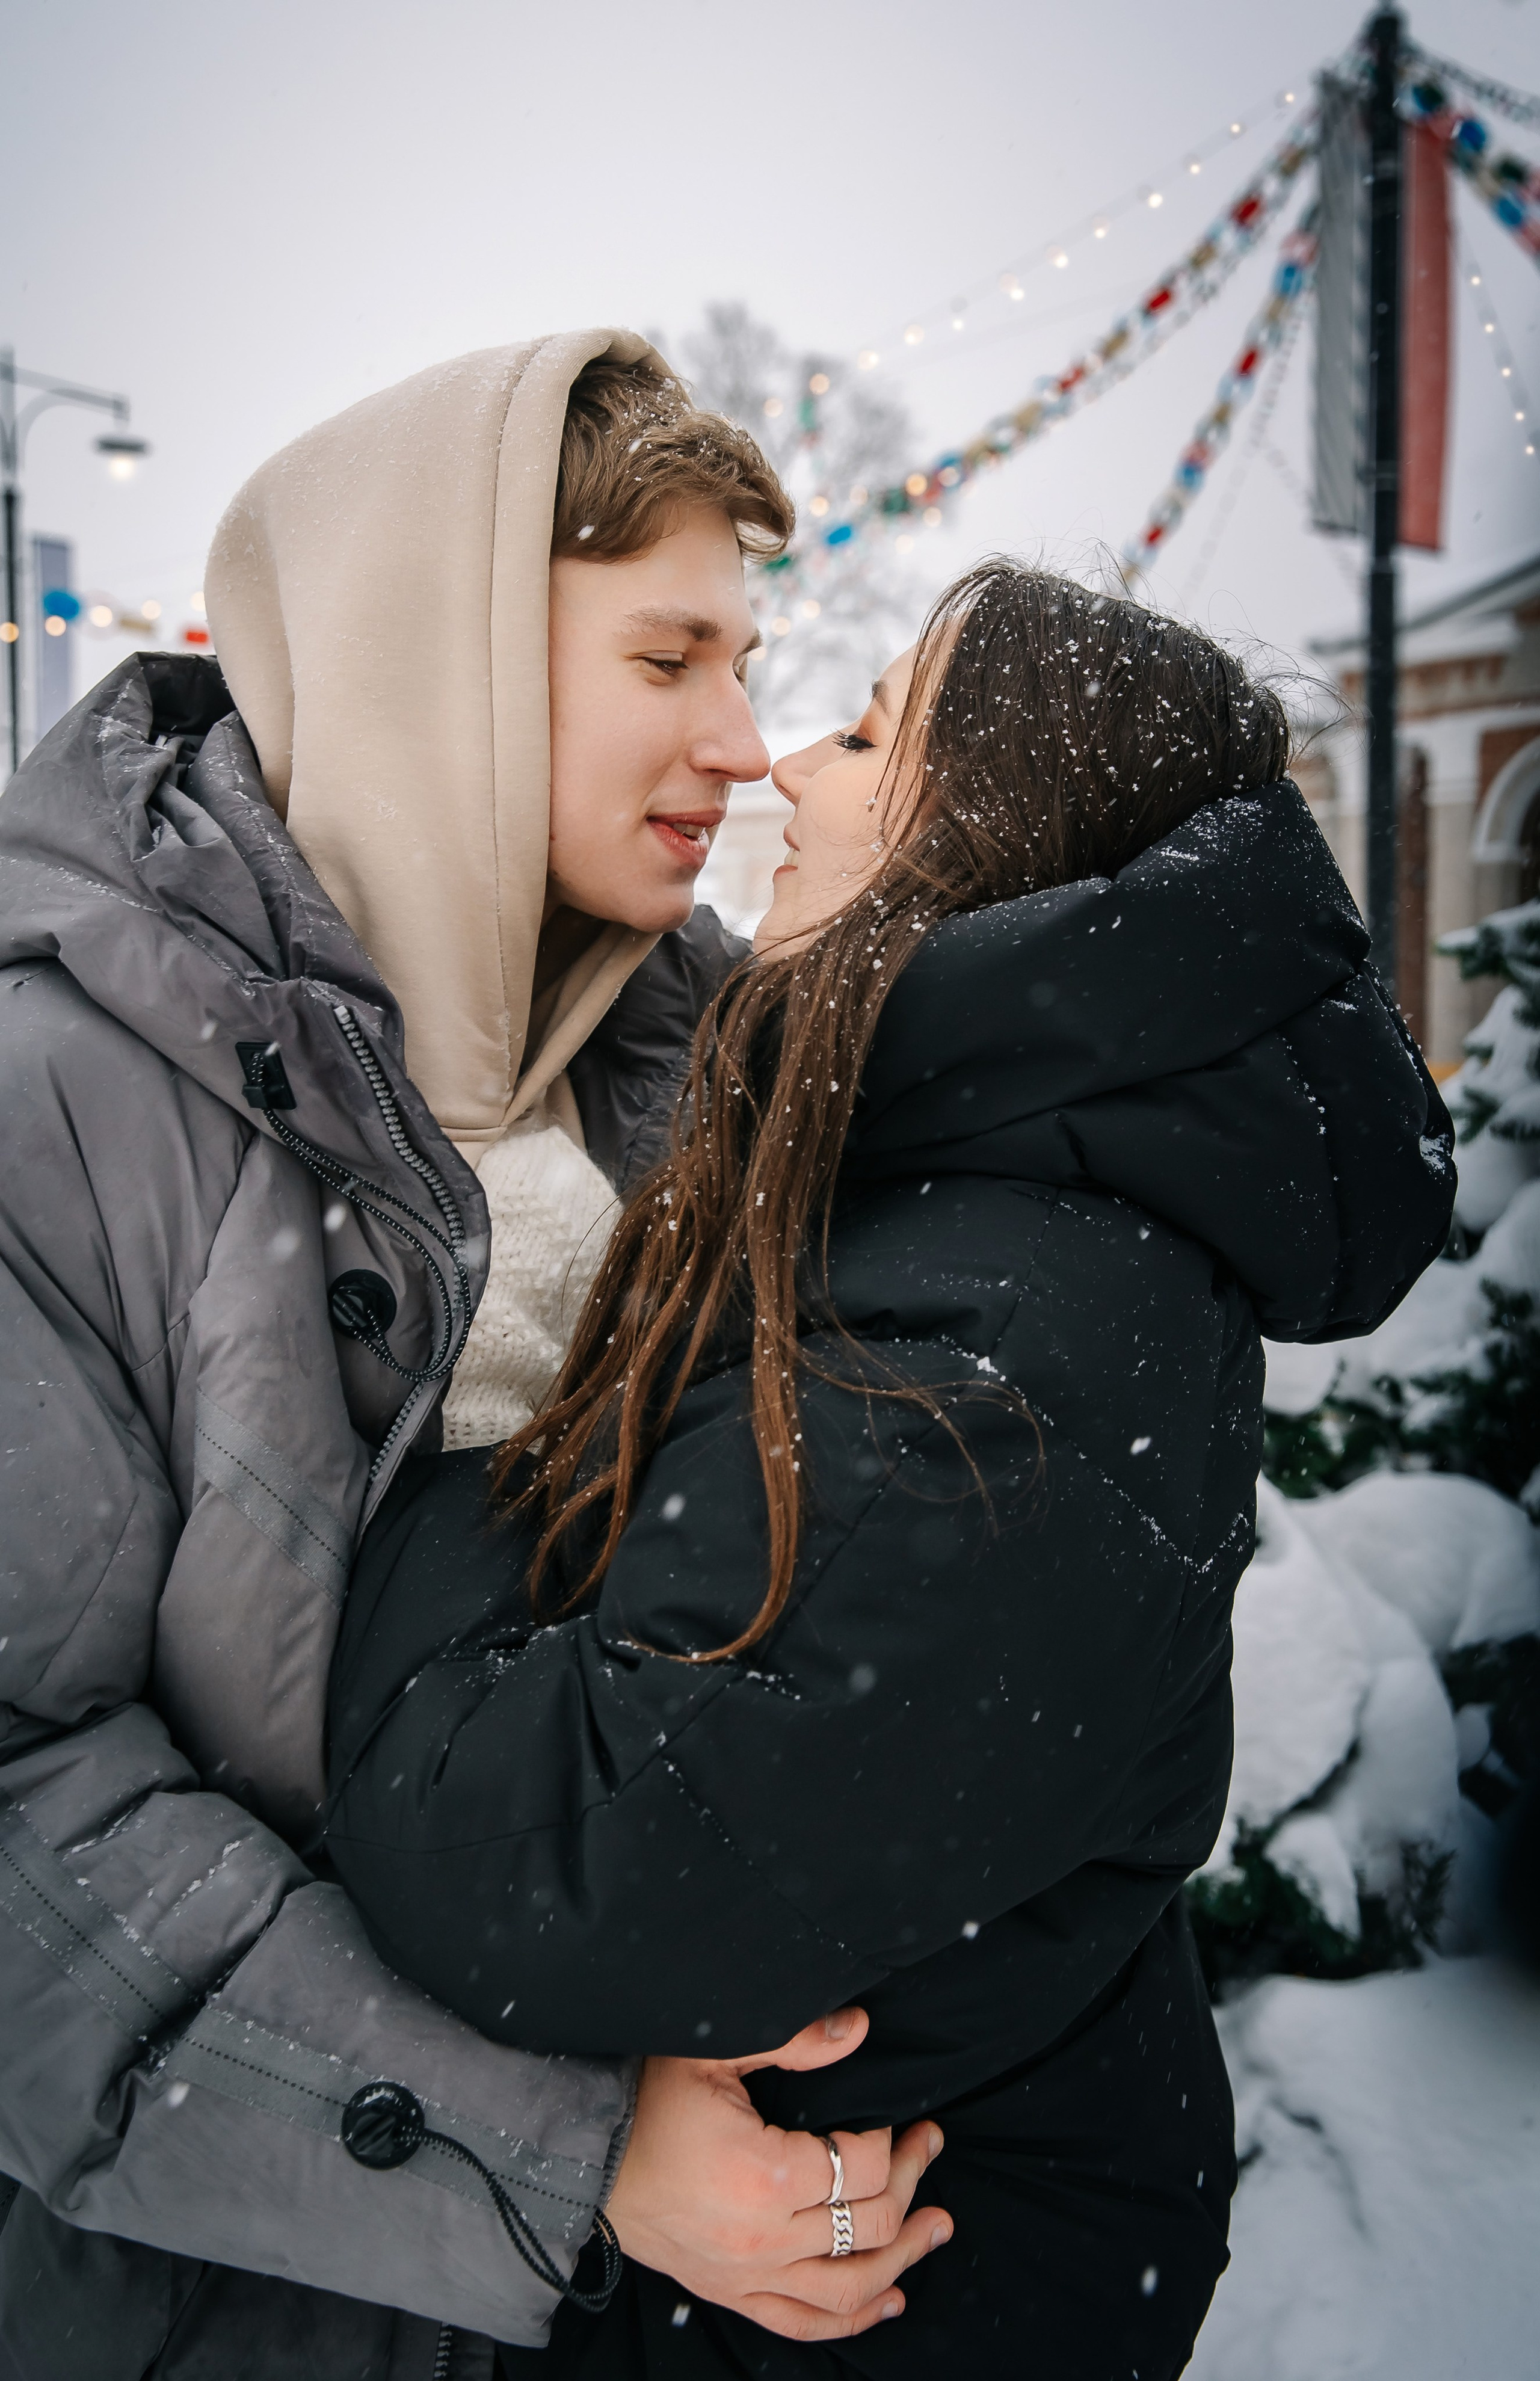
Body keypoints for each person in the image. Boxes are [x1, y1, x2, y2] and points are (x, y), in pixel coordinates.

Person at [325, 561, 1458, 2379]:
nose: (784, 765)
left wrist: (476, 1438)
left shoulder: (986, 1372)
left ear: (990, 830)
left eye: (867, 731)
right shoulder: (988, 1202)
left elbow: (555, 1876)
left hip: (889, 2292)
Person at [0, 333, 947, 2381]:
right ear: (446, 661)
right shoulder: (59, 1101)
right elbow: (22, 1814)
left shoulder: (697, 1067)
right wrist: (562, 2149)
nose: (747, 738)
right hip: (222, 2312)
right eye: (667, 659)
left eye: (750, 663)